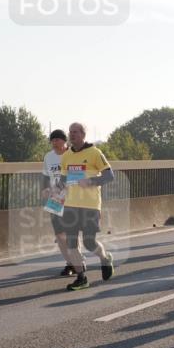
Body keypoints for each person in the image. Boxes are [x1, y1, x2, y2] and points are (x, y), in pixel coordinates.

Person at [58, 122, 116, 291]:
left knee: (89, 242)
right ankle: (81, 278)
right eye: (70, 132)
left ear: (83, 134)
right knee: (72, 243)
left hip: (90, 206)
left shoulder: (95, 153)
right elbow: (63, 180)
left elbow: (109, 176)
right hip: (70, 205)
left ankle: (105, 259)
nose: (72, 134)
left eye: (75, 132)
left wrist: (91, 181)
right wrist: (53, 191)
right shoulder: (66, 156)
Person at [41, 129, 76, 276]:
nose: (54, 143)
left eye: (57, 140)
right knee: (59, 234)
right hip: (55, 198)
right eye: (52, 140)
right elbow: (45, 176)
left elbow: (77, 175)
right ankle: (70, 263)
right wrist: (44, 189)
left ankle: (77, 261)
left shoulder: (73, 154)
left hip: (73, 197)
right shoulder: (48, 157)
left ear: (64, 141)